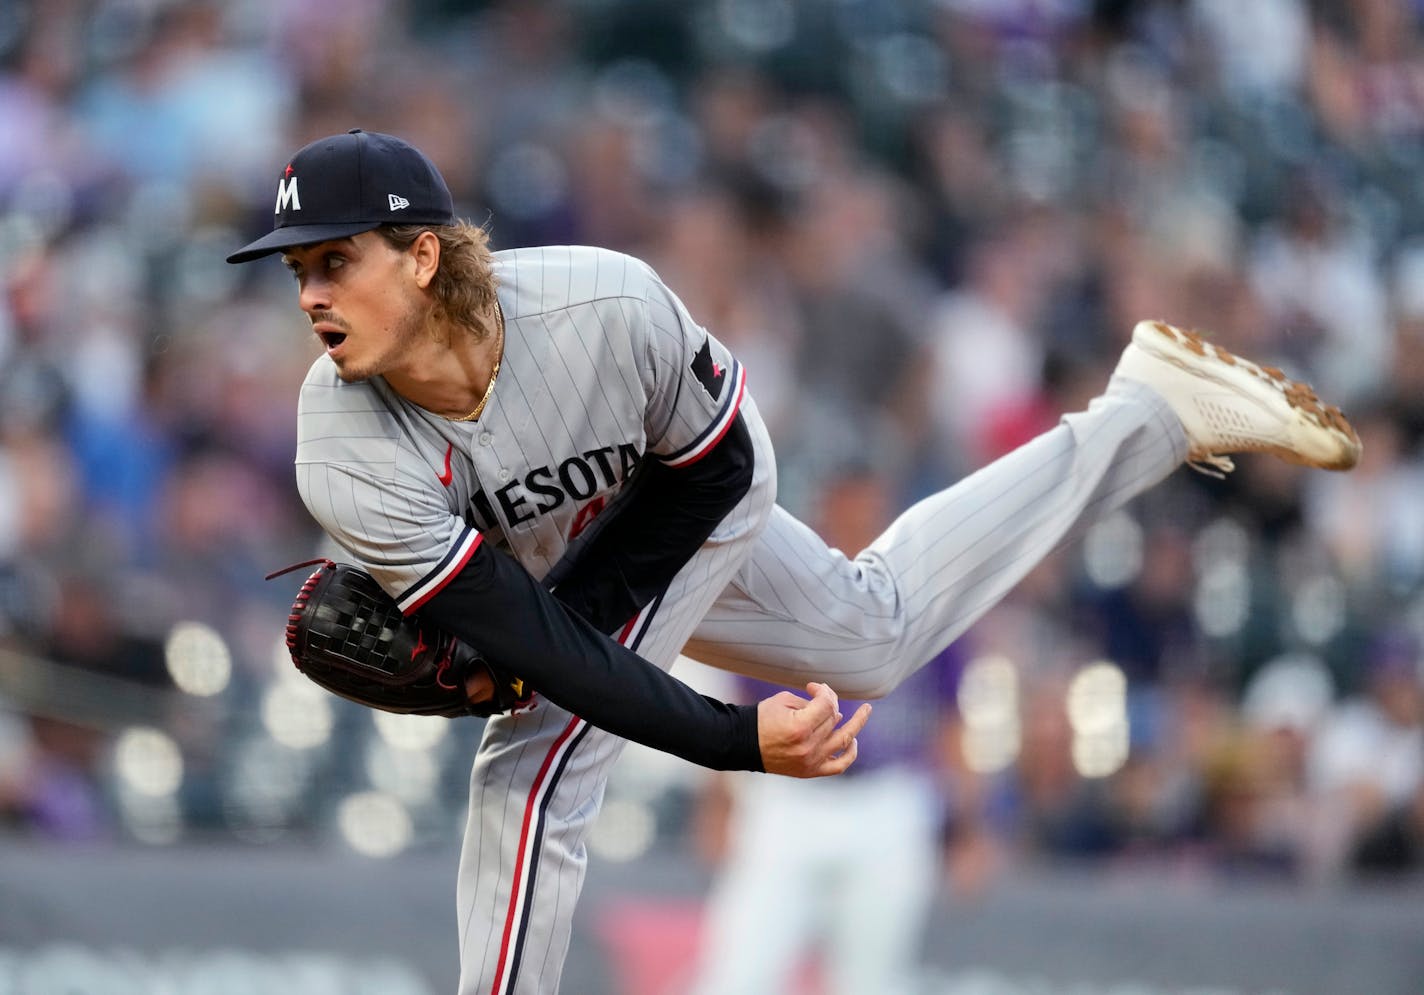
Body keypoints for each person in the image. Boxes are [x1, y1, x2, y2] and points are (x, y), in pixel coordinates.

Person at [226, 129, 1361, 995]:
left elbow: (709, 481)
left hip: (697, 489)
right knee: (867, 635)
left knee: (535, 756)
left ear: (423, 256)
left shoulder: (602, 306)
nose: (312, 292)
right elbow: (526, 636)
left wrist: (730, 739)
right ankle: (1151, 414)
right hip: (549, 566)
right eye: (296, 272)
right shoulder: (340, 443)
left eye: (335, 259)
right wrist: (557, 644)